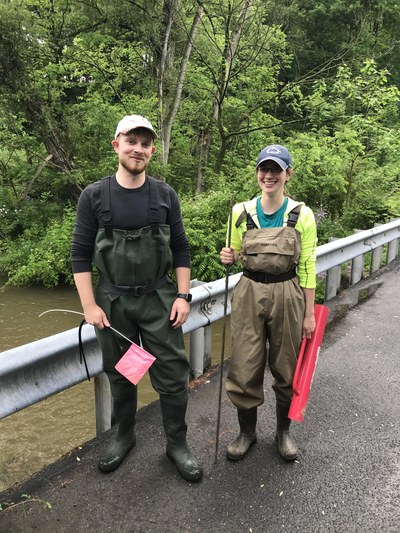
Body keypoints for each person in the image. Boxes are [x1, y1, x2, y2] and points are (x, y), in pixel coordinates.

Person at [71, 114, 202, 482]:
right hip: (113, 304)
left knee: (173, 375)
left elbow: (180, 248)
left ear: (152, 151)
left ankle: (177, 444)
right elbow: (80, 254)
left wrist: (183, 295)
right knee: (122, 374)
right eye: (131, 141)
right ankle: (124, 436)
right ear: (117, 145)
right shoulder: (94, 196)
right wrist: (89, 306)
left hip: (159, 301)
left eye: (145, 144)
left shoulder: (165, 195)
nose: (138, 149)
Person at [220, 144, 317, 462]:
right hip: (248, 292)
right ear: (257, 173)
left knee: (285, 365)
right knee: (245, 364)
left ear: (288, 174)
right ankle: (246, 432)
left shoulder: (302, 215)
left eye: (276, 169)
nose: (269, 175)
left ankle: (283, 432)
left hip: (287, 294)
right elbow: (233, 253)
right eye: (264, 168)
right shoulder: (240, 212)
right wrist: (227, 257)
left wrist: (309, 314)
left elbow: (307, 267)